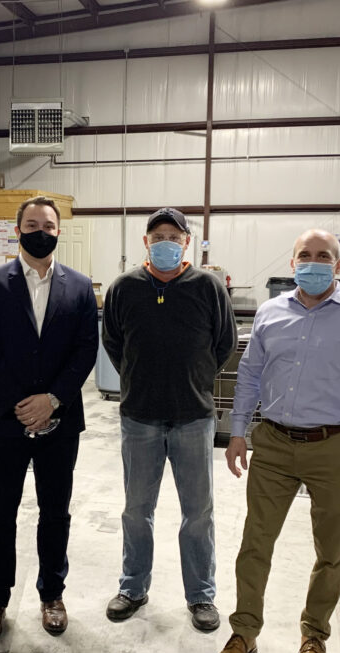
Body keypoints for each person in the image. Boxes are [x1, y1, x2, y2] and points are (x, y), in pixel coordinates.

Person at [214, 228, 340, 653]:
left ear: (338, 267)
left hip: (334, 446)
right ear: (293, 262)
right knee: (255, 543)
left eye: (323, 256)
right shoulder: (270, 313)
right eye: (305, 255)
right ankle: (244, 633)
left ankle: (314, 635)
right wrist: (238, 432)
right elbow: (251, 376)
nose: (313, 263)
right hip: (273, 444)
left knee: (331, 549)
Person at [101, 207, 237, 631]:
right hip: (139, 418)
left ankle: (200, 595)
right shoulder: (123, 288)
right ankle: (133, 587)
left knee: (198, 513)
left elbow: (224, 343)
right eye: (158, 235)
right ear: (146, 242)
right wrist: (141, 379)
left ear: (186, 243)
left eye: (174, 237)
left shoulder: (208, 287)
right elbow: (113, 344)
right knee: (136, 510)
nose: (166, 242)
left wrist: (192, 379)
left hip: (193, 418)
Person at [0, 196, 98, 640]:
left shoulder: (81, 287)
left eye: (48, 223)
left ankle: (52, 594)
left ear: (58, 230)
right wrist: (20, 405)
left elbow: (86, 349)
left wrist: (54, 399)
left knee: (55, 512)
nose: (39, 229)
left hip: (60, 424)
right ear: (17, 229)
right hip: (6, 420)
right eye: (31, 223)